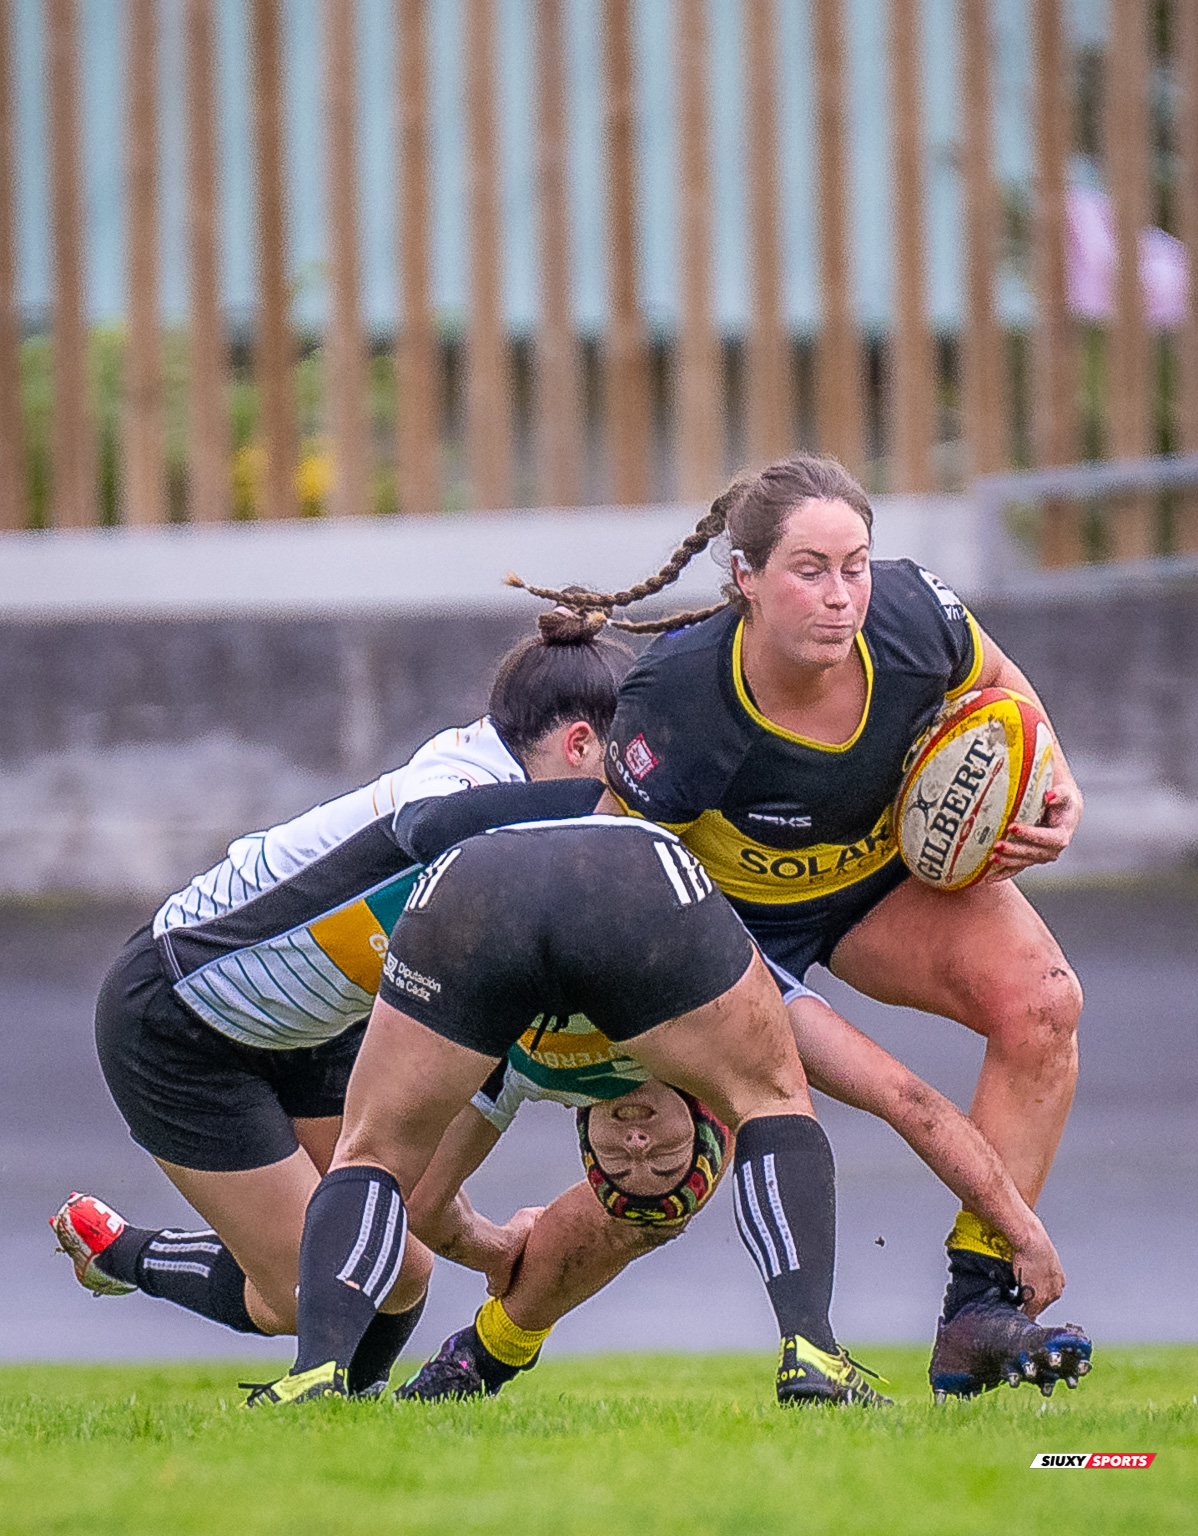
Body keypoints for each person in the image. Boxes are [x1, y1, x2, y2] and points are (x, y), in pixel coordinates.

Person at [507, 454, 1092, 1400]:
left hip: (874, 889)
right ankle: (494, 1342)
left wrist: (1055, 779)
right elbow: (614, 882)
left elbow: (1000, 683)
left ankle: (978, 1312)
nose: (842, 595)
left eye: (855, 565)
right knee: (658, 1179)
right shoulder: (678, 703)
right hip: (719, 925)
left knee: (1044, 1005)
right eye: (808, 571)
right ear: (744, 579)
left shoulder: (910, 618)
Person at [253, 815, 1068, 1410]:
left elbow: (419, 1204)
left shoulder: (517, 1074)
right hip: (632, 879)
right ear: (699, 1116)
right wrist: (1018, 1229)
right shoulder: (735, 1018)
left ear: (588, 1145)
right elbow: (907, 1099)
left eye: (625, 1162)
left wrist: (493, 1246)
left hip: (476, 880)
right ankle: (813, 1353)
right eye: (662, 1155)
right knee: (777, 1100)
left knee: (373, 1153)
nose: (638, 1144)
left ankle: (316, 1374)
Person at [51, 614, 626, 1398]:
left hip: (305, 1027)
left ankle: (343, 1419)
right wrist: (594, 804)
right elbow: (426, 828)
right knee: (302, 1294)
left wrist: (495, 1251)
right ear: (584, 747)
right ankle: (121, 1253)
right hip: (177, 1016)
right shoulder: (464, 779)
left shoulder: (512, 807)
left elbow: (424, 1193)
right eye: (620, 770)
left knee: (398, 1274)